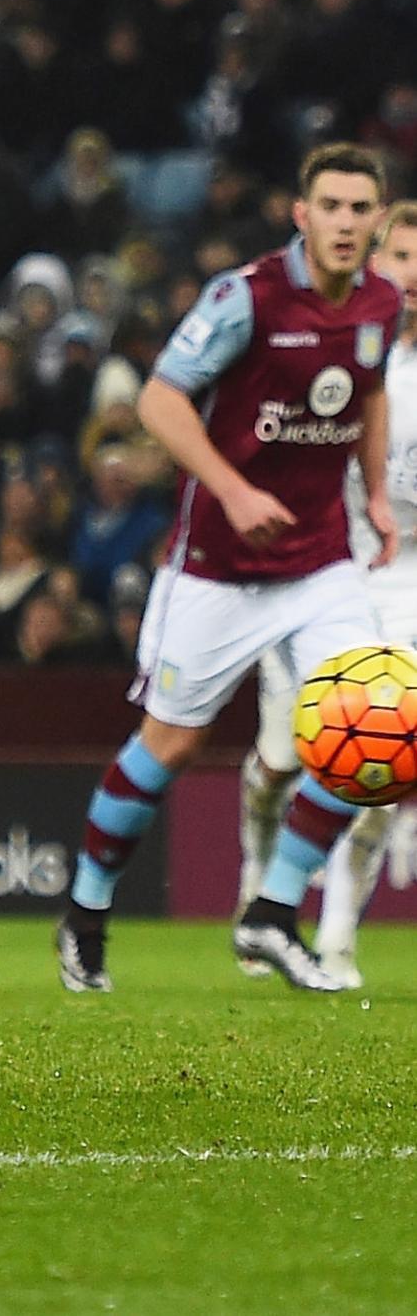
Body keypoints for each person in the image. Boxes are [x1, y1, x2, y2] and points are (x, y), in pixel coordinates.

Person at [57, 144, 402, 994]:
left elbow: (368, 394)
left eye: (363, 209)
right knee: (167, 746)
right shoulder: (245, 297)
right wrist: (233, 488)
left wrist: (378, 493)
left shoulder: (382, 303)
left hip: (320, 560)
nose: (349, 223)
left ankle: (272, 915)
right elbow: (159, 399)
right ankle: (86, 910)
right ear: (302, 213)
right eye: (334, 206)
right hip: (215, 566)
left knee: (381, 723)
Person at [242, 196, 417, 987]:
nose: (412, 277)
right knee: (283, 759)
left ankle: (337, 937)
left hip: (407, 576)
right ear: (373, 264)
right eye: (401, 258)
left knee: (384, 756)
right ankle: (258, 877)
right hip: (319, 568)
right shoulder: (329, 348)